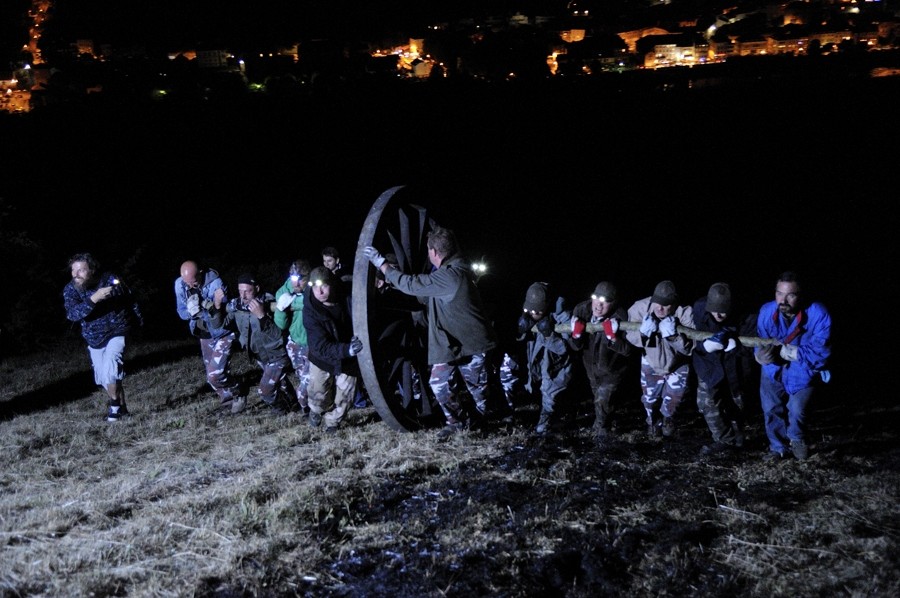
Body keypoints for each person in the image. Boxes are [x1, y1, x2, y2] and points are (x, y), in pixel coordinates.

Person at [363, 225, 499, 438]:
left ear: (434, 253)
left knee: (478, 391)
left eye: (428, 250)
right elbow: (423, 294)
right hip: (451, 344)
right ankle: (458, 422)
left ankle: (487, 425)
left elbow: (414, 284)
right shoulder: (452, 271)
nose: (428, 254)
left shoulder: (452, 276)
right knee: (439, 384)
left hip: (472, 345)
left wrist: (383, 265)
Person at [754, 271, 832, 461]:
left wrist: (790, 352)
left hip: (803, 370)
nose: (784, 300)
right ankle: (778, 447)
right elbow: (760, 341)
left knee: (797, 410)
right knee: (771, 408)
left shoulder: (818, 314)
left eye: (791, 295)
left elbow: (821, 353)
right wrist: (760, 356)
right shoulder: (766, 311)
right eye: (779, 293)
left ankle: (796, 438)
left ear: (801, 295)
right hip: (773, 369)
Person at [63, 252, 143, 422]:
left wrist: (138, 321)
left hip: (117, 330)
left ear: (91, 270)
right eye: (73, 270)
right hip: (94, 339)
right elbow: (72, 314)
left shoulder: (108, 279)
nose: (76, 274)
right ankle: (123, 409)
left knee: (111, 368)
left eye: (81, 270)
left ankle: (114, 409)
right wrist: (94, 298)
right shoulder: (71, 290)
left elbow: (129, 298)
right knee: (103, 377)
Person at [210, 273, 294, 415]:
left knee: (265, 390)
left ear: (257, 288)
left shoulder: (269, 303)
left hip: (276, 355)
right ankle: (295, 404)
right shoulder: (237, 305)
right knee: (281, 383)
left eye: (247, 291)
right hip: (260, 356)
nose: (243, 296)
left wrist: (262, 317)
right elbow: (219, 325)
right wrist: (217, 307)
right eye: (240, 291)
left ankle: (281, 409)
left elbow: (278, 337)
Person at [691, 282, 757, 456]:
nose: (718, 314)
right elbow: (697, 337)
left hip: (737, 365)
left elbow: (755, 349)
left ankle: (739, 437)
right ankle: (723, 439)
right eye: (714, 309)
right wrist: (706, 347)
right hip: (710, 362)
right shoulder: (700, 309)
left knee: (737, 404)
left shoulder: (748, 317)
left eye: (723, 310)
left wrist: (737, 348)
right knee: (707, 401)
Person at [625, 280, 695, 438]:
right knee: (649, 398)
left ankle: (668, 418)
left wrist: (674, 337)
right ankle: (651, 421)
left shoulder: (684, 312)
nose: (660, 308)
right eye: (657, 303)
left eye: (665, 305)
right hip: (651, 359)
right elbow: (629, 336)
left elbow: (692, 346)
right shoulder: (640, 308)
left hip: (677, 362)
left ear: (674, 303)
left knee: (676, 396)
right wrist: (642, 334)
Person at [174, 260, 241, 413]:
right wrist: (191, 312)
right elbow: (182, 312)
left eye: (194, 282)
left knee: (215, 373)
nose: (190, 286)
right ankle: (227, 402)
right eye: (186, 283)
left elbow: (219, 314)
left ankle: (239, 388)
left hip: (222, 331)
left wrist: (204, 309)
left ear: (201, 273)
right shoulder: (180, 284)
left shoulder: (216, 282)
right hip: (204, 333)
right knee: (212, 376)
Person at [302, 265, 364, 433]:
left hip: (350, 352)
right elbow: (319, 346)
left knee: (346, 394)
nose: (319, 291)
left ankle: (333, 422)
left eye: (324, 285)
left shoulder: (346, 294)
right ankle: (316, 411)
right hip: (324, 355)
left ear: (332, 284)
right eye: (314, 286)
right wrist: (347, 350)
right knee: (318, 393)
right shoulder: (310, 310)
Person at [570, 281, 633, 443]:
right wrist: (576, 336)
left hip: (612, 370)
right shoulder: (581, 310)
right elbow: (575, 347)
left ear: (614, 303)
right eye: (596, 298)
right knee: (598, 396)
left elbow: (627, 350)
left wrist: (613, 337)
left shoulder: (621, 316)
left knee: (603, 398)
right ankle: (607, 420)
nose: (598, 305)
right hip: (590, 367)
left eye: (605, 301)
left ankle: (601, 430)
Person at [514, 282, 577, 435]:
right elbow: (520, 341)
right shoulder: (528, 312)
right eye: (529, 310)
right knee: (538, 388)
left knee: (550, 391)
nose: (532, 313)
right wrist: (521, 331)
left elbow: (565, 350)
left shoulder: (563, 315)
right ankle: (557, 414)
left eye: (536, 311)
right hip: (537, 360)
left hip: (557, 364)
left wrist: (549, 335)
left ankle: (546, 422)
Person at [274, 259, 312, 415]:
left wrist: (295, 303)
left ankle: (307, 406)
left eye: (300, 279)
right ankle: (308, 409)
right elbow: (281, 324)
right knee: (302, 376)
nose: (296, 284)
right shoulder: (284, 290)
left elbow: (316, 300)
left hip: (313, 343)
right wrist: (281, 309)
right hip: (295, 343)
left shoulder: (315, 287)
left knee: (308, 382)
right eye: (293, 279)